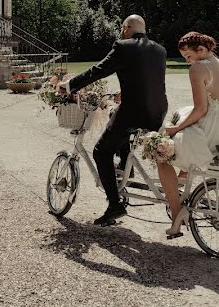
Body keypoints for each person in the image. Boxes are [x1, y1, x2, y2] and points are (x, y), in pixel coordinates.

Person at [60, 15, 168, 226]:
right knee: (116, 122)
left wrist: (70, 85)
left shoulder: (123, 46)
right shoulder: (159, 50)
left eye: (122, 28)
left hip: (134, 111)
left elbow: (98, 70)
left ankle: (114, 204)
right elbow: (147, 79)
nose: (121, 32)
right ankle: (126, 168)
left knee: (101, 151)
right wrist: (123, 91)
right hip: (157, 112)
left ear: (127, 28)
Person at [159, 32, 219, 239]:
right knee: (181, 118)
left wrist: (175, 130)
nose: (187, 62)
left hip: (209, 133)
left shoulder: (199, 68)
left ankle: (177, 214)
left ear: (202, 51)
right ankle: (184, 174)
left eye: (188, 56)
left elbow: (200, 109)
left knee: (160, 152)